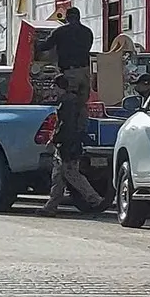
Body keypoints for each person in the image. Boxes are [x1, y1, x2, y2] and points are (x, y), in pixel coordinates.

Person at [40, 74, 103, 217]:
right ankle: (51, 206)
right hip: (68, 144)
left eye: (53, 86)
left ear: (59, 87)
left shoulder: (67, 103)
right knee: (58, 176)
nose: (52, 90)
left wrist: (55, 139)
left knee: (71, 174)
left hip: (68, 146)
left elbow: (64, 126)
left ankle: (95, 199)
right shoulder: (73, 102)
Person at [35, 7, 94, 108]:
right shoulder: (88, 32)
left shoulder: (60, 32)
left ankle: (70, 123)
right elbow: (88, 48)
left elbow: (46, 46)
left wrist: (34, 43)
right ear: (79, 17)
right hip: (85, 72)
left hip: (70, 73)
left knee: (69, 101)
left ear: (67, 18)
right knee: (82, 104)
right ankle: (82, 123)